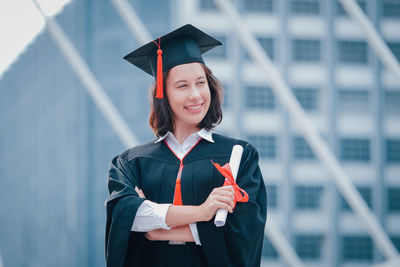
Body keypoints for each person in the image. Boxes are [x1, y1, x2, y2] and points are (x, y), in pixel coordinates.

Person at [105, 24, 267, 267]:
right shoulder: (131, 163)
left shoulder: (239, 156)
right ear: (163, 94)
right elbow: (127, 217)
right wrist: (203, 213)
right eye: (182, 86)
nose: (195, 95)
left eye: (201, 83)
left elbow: (244, 232)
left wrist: (159, 228)